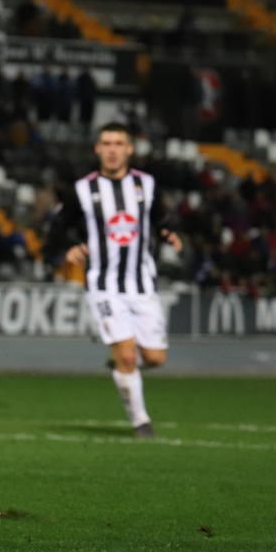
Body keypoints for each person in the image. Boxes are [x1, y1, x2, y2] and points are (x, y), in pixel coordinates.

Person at [44, 122, 182, 437]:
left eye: (118, 143)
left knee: (155, 358)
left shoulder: (146, 185)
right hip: (104, 286)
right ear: (97, 149)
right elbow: (58, 228)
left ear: (129, 149)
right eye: (106, 143)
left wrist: (168, 233)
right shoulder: (82, 189)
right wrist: (67, 249)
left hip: (142, 283)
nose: (112, 149)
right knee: (128, 355)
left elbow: (160, 217)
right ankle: (141, 421)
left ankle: (120, 364)